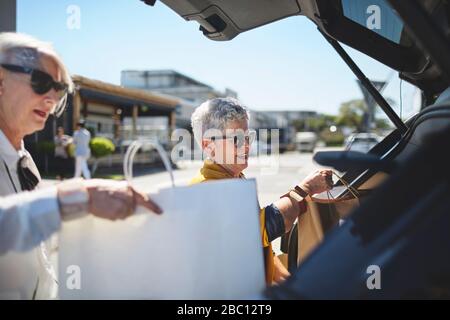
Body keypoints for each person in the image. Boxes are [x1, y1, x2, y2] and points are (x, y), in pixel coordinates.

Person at [0, 32, 162, 299]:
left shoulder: (23, 159)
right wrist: (78, 198)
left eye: (60, 89)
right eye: (40, 81)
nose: (52, 99)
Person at [190, 97, 332, 285]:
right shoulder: (207, 188)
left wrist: (288, 283)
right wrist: (306, 188)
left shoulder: (236, 179)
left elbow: (261, 248)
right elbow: (264, 229)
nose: (246, 146)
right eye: (236, 139)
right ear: (209, 145)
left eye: (247, 137)